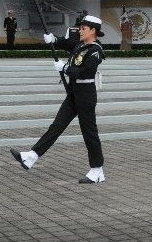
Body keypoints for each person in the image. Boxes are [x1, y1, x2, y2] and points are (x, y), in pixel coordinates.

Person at [11, 15, 107, 183]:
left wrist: (65, 68)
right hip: (74, 93)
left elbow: (84, 70)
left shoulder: (95, 50)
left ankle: (97, 170)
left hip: (86, 95)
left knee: (89, 133)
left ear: (93, 31)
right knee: (56, 126)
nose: (80, 31)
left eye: (83, 29)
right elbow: (65, 43)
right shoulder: (80, 44)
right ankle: (31, 156)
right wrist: (53, 39)